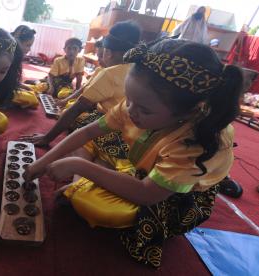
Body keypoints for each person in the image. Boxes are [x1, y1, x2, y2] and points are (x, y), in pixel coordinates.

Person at [24, 39, 242, 267]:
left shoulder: (196, 143)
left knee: (97, 208)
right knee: (92, 130)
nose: (130, 110)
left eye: (144, 109)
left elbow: (147, 194)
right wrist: (42, 163)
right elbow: (88, 132)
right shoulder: (138, 105)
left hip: (174, 193)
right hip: (145, 160)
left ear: (189, 111)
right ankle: (101, 175)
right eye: (128, 100)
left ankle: (92, 181)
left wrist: (80, 168)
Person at [21, 21, 141, 146]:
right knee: (53, 94)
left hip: (111, 127)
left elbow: (77, 108)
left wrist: (47, 138)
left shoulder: (109, 73)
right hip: (134, 134)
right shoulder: (138, 69)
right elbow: (79, 87)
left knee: (75, 120)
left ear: (108, 53)